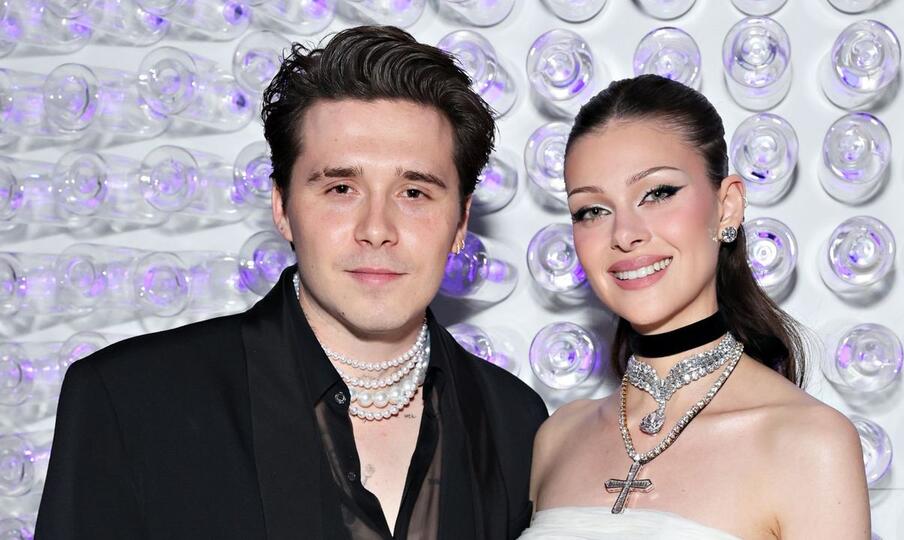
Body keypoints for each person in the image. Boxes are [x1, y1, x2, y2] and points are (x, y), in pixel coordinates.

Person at [35, 25, 547, 540]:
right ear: (282, 207)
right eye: (341, 188)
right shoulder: (130, 400)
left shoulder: (516, 423)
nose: (376, 229)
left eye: (414, 193)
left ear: (460, 222)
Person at [522, 75, 870, 539]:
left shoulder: (810, 441)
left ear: (728, 207)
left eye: (658, 193)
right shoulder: (557, 437)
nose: (624, 234)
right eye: (592, 210)